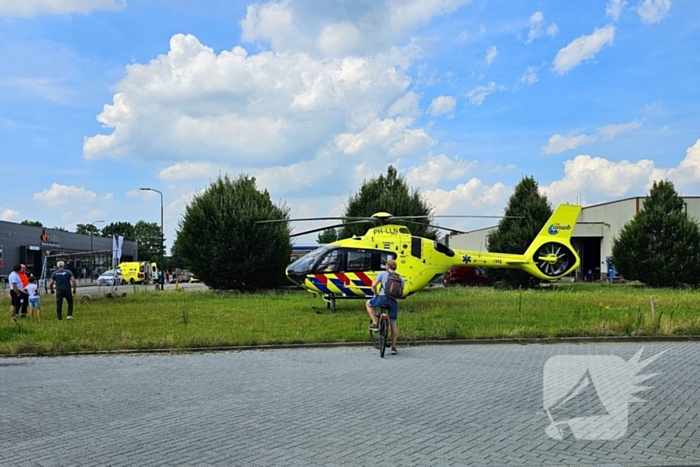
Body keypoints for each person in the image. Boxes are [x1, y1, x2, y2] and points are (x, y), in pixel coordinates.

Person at [365, 259, 404, 355]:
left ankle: (374, 323)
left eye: (386, 264)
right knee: (393, 323)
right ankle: (394, 347)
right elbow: (401, 291)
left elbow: (373, 285)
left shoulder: (382, 273)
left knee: (368, 304)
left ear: (388, 266)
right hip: (393, 302)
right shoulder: (400, 278)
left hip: (382, 298)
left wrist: (375, 294)